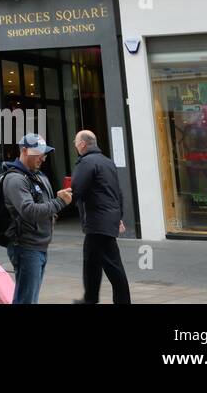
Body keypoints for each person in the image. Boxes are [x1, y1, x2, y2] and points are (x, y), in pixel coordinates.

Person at [1, 133, 73, 304]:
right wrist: (59, 202)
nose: (43, 158)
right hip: (26, 246)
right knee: (26, 299)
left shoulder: (39, 176)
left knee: (28, 298)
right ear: (24, 151)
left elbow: (45, 205)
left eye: (45, 153)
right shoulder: (15, 179)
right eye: (39, 153)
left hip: (39, 244)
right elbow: (29, 211)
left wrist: (56, 202)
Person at [71, 129, 131, 304]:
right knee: (92, 261)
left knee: (112, 265)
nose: (75, 145)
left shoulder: (86, 162)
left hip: (98, 221)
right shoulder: (107, 162)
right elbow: (117, 192)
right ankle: (90, 298)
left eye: (76, 142)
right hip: (106, 219)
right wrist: (118, 215)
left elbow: (77, 189)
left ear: (83, 144)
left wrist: (61, 201)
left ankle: (122, 301)